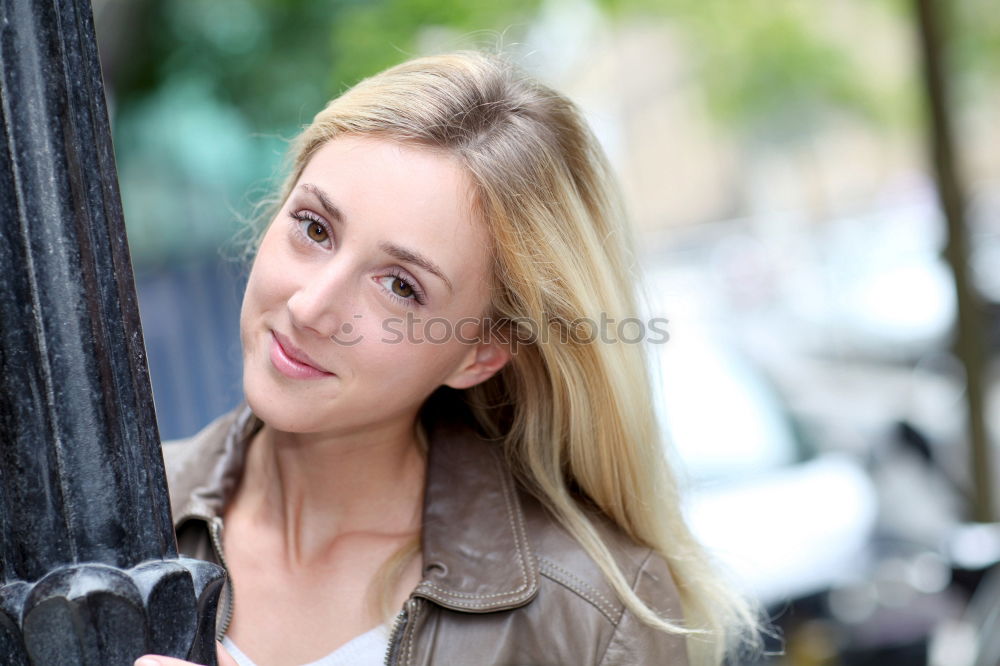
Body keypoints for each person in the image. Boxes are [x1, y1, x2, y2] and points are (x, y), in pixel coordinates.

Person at [134, 51, 760, 666]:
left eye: (401, 286)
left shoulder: (591, 622)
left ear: (480, 353)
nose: (310, 307)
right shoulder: (102, 520)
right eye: (315, 228)